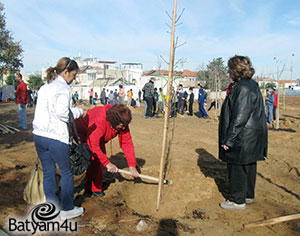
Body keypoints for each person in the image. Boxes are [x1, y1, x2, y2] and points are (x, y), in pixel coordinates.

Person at [32, 57, 86, 219]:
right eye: (73, 76)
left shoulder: (45, 87)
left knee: (48, 172)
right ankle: (68, 209)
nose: (73, 79)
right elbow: (63, 113)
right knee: (66, 172)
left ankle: (52, 208)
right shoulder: (63, 88)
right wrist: (79, 112)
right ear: (65, 72)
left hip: (39, 135)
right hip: (55, 137)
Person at [219, 55, 267, 210]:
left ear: (235, 70)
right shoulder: (251, 85)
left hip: (243, 136)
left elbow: (240, 116)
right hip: (252, 135)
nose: (228, 72)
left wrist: (229, 140)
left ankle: (237, 200)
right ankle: (247, 195)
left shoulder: (242, 88)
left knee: (237, 166)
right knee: (249, 165)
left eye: (229, 69)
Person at [74, 104, 139, 197]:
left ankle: (96, 182)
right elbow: (93, 146)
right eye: (122, 126)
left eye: (125, 125)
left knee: (100, 157)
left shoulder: (122, 122)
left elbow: (127, 143)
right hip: (83, 131)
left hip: (97, 137)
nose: (124, 128)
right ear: (114, 121)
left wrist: (132, 166)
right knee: (94, 158)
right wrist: (108, 164)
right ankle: (93, 189)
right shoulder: (99, 121)